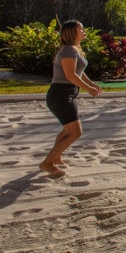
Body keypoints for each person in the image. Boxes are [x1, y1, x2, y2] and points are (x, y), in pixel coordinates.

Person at [40, 20, 102, 177]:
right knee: (75, 132)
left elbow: (80, 72)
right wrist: (89, 89)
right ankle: (47, 163)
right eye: (81, 29)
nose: (84, 31)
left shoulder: (74, 50)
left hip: (65, 94)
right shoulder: (68, 51)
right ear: (73, 32)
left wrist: (92, 84)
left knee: (68, 130)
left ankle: (56, 156)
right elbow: (70, 75)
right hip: (61, 95)